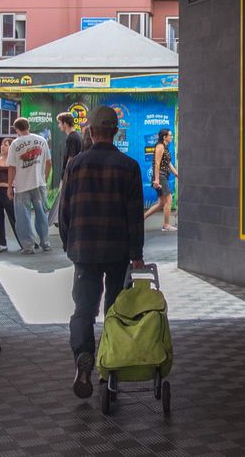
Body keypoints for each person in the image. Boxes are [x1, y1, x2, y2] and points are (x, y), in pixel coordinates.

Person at [63, 106, 145, 399]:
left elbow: (65, 212)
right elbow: (135, 215)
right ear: (115, 132)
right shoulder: (129, 166)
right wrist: (137, 253)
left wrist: (69, 245)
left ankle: (83, 357)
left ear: (92, 131)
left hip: (84, 249)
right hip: (118, 249)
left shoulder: (76, 165)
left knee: (84, 310)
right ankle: (111, 364)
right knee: (116, 308)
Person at [6, 118, 52, 254]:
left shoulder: (15, 144)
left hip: (21, 186)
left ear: (16, 129)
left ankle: (28, 246)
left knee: (22, 216)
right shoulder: (42, 140)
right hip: (39, 183)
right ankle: (45, 242)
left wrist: (9, 186)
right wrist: (44, 177)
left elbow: (12, 167)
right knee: (41, 214)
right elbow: (49, 162)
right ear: (28, 126)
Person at [51, 112, 84, 251]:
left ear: (65, 123)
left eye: (59, 123)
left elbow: (71, 158)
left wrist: (66, 177)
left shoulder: (72, 138)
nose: (59, 126)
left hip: (70, 176)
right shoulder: (77, 136)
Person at [142, 128, 179, 232]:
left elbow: (168, 163)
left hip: (163, 176)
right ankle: (166, 225)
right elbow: (157, 163)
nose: (171, 137)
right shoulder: (160, 146)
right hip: (160, 177)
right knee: (169, 200)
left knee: (161, 203)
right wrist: (157, 180)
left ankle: (141, 219)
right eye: (170, 135)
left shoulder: (166, 148)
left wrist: (176, 174)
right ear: (164, 137)